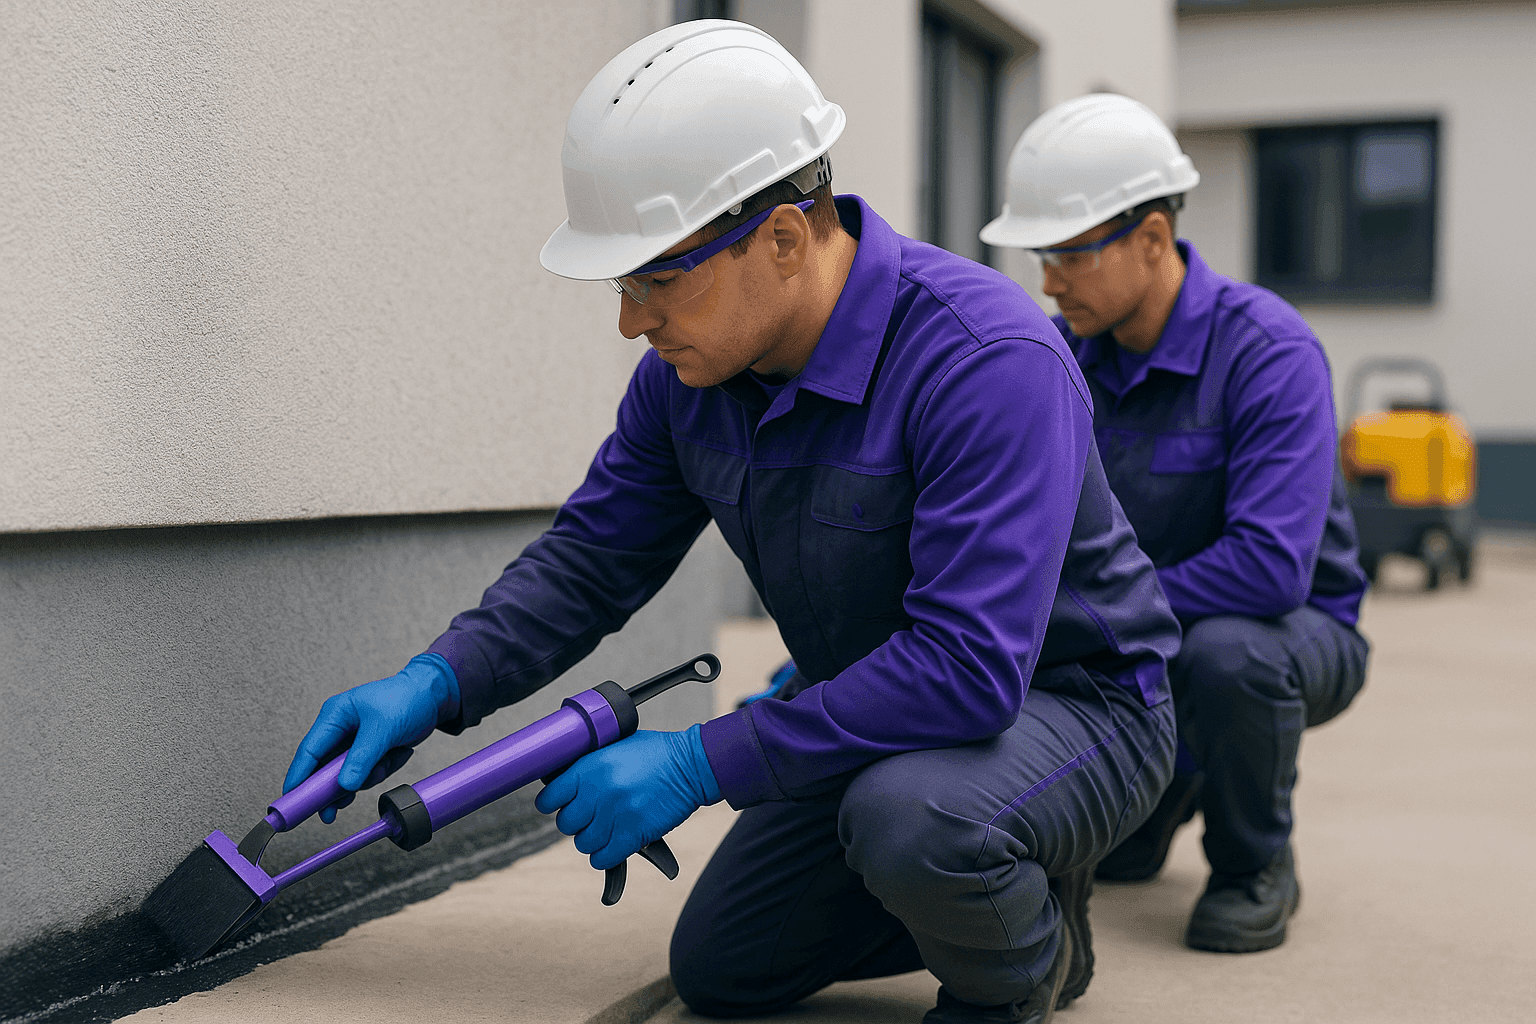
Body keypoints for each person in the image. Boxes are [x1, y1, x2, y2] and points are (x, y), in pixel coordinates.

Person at [285, 23, 1181, 1023]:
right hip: (894, 712)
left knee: (913, 823)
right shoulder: (691, 381)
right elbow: (589, 560)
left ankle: (1014, 975)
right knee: (726, 965)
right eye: (624, 285)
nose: (633, 321)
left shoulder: (986, 360)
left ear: (785, 240)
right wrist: (435, 682)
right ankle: (1023, 898)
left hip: (1078, 709)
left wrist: (700, 760)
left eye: (658, 280)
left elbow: (970, 669)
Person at [982, 94, 1371, 954]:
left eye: (1068, 255)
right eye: (1042, 256)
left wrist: (1092, 606)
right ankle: (1161, 794)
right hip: (1153, 628)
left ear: (1152, 239)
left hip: (1293, 631)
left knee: (1228, 655)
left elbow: (1272, 570)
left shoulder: (1269, 352)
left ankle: (1254, 865)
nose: (1047, 281)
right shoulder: (1063, 356)